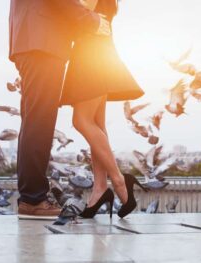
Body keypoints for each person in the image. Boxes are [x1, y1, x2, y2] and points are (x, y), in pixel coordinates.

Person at [9, 0, 112, 219]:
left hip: (34, 38)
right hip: (43, 42)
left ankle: (32, 197)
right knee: (39, 123)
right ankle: (33, 200)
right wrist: (91, 20)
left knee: (35, 122)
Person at [60, 0, 146, 218]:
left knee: (81, 121)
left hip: (91, 53)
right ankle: (100, 187)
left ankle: (118, 180)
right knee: (96, 124)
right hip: (96, 51)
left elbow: (76, 10)